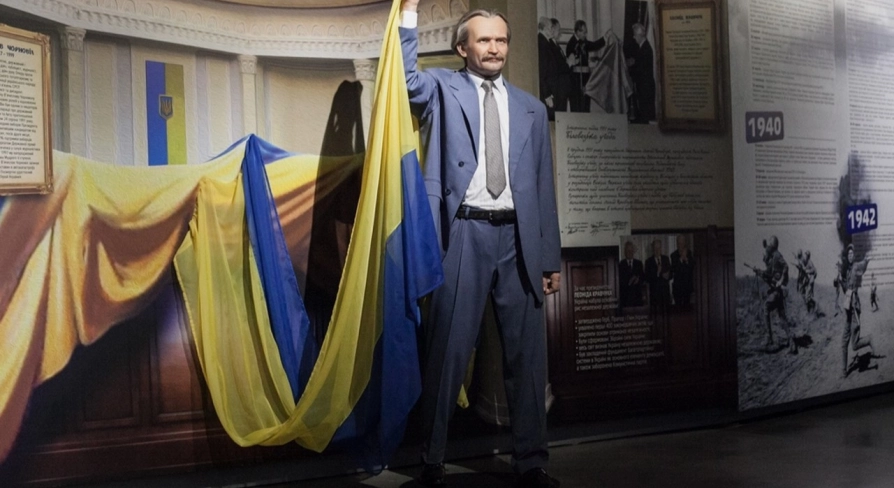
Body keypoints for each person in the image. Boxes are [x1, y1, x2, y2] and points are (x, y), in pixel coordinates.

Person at [399, 3, 562, 487]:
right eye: (484, 40)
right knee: (447, 352)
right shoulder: (441, 89)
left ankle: (531, 462)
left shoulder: (531, 107)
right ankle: (431, 462)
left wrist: (549, 256)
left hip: (519, 241)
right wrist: (407, 16)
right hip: (464, 234)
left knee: (528, 361)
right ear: (462, 47)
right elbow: (405, 81)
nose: (494, 48)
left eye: (501, 40)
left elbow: (542, 187)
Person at [753, 235, 796, 353]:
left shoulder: (777, 255)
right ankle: (792, 343)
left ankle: (769, 338)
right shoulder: (773, 258)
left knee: (766, 307)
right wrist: (759, 272)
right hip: (778, 292)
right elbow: (768, 274)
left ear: (773, 246)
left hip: (778, 291)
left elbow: (786, 266)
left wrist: (781, 280)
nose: (768, 248)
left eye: (769, 246)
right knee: (782, 318)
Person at [840, 244, 875, 377]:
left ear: (854, 256)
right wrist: (840, 281)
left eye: (851, 254)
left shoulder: (856, 266)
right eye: (848, 254)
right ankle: (844, 370)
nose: (850, 256)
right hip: (848, 308)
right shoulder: (847, 270)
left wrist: (867, 259)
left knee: (854, 345)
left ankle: (869, 340)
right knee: (844, 340)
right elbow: (845, 289)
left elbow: (863, 266)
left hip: (854, 307)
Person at [565, 20, 609, 112]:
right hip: (576, 81)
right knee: (577, 105)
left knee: (585, 104)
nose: (585, 34)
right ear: (577, 32)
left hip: (585, 79)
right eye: (584, 32)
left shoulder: (583, 42)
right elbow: (571, 63)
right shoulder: (571, 44)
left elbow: (594, 45)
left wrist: (605, 37)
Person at [625, 23, 655, 123]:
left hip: (646, 89)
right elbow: (637, 61)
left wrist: (630, 68)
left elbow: (640, 68)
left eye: (634, 35)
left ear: (639, 35)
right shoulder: (642, 47)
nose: (633, 37)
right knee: (643, 116)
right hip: (644, 87)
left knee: (645, 117)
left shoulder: (645, 49)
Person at [645, 239, 671, 312]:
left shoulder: (666, 259)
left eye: (659, 248)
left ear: (661, 248)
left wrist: (668, 275)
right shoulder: (648, 262)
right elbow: (647, 278)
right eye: (655, 248)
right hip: (655, 295)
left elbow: (671, 273)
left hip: (665, 294)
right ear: (653, 249)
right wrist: (657, 273)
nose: (657, 250)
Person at [670, 234, 695, 308]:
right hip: (677, 287)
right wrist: (681, 259)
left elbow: (692, 267)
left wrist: (686, 259)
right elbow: (674, 269)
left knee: (687, 308)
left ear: (685, 243)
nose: (680, 245)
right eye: (679, 243)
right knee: (678, 309)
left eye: (682, 243)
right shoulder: (673, 255)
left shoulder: (689, 253)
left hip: (687, 286)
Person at [619, 241, 645, 307]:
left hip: (637, 295)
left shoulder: (639, 263)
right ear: (625, 252)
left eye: (631, 250)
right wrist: (629, 281)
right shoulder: (621, 264)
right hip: (626, 296)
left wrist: (638, 279)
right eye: (628, 250)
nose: (629, 252)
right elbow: (620, 280)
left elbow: (643, 277)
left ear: (633, 251)